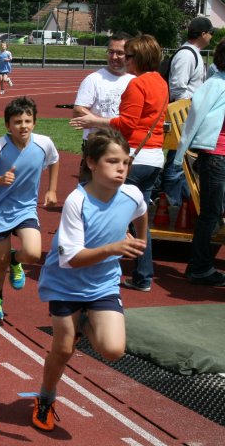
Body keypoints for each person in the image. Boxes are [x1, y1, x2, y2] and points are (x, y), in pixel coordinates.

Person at [32, 129, 147, 431]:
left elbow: (142, 212)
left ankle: (83, 323)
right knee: (63, 349)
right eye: (112, 161)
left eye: (125, 162)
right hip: (65, 283)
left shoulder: (132, 195)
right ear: (92, 163)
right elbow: (71, 258)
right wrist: (114, 248)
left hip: (103, 283)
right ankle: (46, 397)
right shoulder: (77, 201)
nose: (121, 169)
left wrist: (140, 239)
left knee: (113, 350)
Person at [70, 35, 168, 292]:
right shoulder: (160, 81)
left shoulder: (138, 84)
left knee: (107, 215)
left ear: (140, 57)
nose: (125, 60)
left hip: (134, 156)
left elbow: (127, 124)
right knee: (140, 218)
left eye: (129, 56)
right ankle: (143, 276)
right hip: (154, 157)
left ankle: (96, 272)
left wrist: (94, 121)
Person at [0, 96, 59, 320]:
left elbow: (54, 160)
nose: (23, 126)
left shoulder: (44, 144)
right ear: (7, 125)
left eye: (28, 121)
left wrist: (51, 190)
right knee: (0, 261)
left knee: (33, 253)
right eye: (18, 122)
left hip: (26, 208)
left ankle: (16, 259)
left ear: (35, 122)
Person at [174, 38, 225, 286]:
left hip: (218, 157)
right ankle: (199, 267)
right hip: (216, 156)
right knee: (210, 214)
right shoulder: (216, 84)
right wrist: (180, 153)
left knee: (212, 213)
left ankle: (199, 265)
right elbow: (194, 118)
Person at [159, 17, 215, 206]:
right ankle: (171, 202)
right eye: (210, 33)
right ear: (203, 34)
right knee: (176, 163)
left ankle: (179, 201)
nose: (211, 37)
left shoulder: (193, 54)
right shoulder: (186, 55)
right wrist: (187, 113)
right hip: (183, 117)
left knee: (183, 164)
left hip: (188, 116)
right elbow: (177, 88)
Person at [73, 32, 134, 179]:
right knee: (91, 187)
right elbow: (78, 110)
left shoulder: (135, 80)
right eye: (111, 52)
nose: (114, 57)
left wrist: (94, 121)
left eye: (120, 53)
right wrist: (110, 125)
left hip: (126, 146)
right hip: (97, 144)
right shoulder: (94, 79)